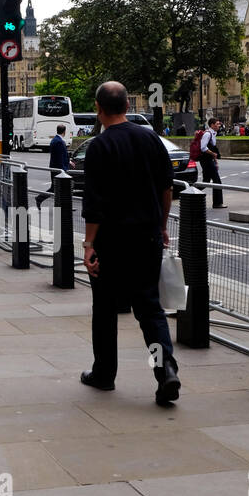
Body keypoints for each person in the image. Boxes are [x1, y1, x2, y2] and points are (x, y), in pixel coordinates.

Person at [80, 80, 180, 406]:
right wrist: (162, 226)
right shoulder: (151, 140)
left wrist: (89, 244)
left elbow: (94, 204)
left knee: (105, 311)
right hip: (147, 238)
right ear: (126, 105)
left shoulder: (98, 146)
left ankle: (104, 373)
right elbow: (167, 189)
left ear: (99, 109)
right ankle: (164, 371)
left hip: (111, 242)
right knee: (150, 310)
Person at [35, 123, 73, 208]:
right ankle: (63, 205)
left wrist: (68, 161)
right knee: (60, 188)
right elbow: (60, 157)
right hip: (58, 169)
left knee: (55, 188)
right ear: (64, 132)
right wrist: (64, 170)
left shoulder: (55, 140)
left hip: (55, 168)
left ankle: (40, 199)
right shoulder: (59, 141)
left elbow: (61, 155)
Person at [198, 119, 225, 209]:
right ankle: (217, 203)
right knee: (217, 181)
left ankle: (189, 191)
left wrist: (215, 161)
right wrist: (213, 154)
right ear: (212, 125)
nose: (219, 125)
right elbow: (203, 148)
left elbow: (212, 148)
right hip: (206, 161)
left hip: (209, 160)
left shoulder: (213, 134)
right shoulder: (207, 134)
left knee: (206, 181)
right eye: (217, 124)